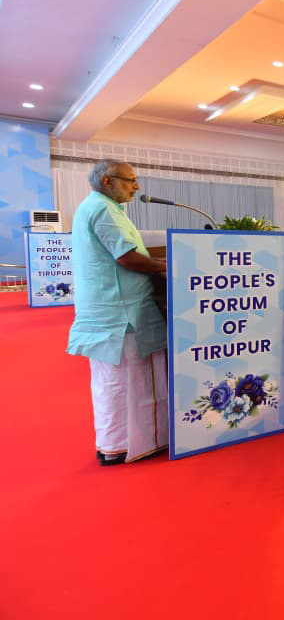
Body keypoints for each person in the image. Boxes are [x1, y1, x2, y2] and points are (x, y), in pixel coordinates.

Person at [67, 159, 169, 466]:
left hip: (110, 311)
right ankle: (135, 444)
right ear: (107, 181)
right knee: (132, 380)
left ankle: (115, 444)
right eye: (130, 180)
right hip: (122, 314)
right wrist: (166, 266)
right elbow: (127, 258)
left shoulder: (98, 207)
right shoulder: (104, 209)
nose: (136, 186)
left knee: (113, 383)